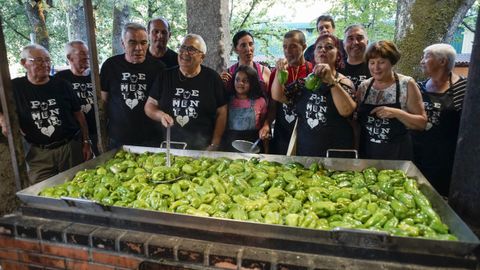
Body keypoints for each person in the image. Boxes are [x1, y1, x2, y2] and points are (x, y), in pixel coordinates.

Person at [0, 44, 91, 184]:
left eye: (47, 60)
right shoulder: (14, 88)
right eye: (38, 60)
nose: (45, 64)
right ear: (24, 63)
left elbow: (79, 116)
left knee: (77, 185)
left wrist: (86, 142)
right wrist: (3, 118)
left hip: (69, 148)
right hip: (38, 154)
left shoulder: (62, 85)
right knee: (43, 191)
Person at [272, 34, 356, 157]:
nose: (323, 50)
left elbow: (347, 111)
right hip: (306, 151)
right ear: (314, 54)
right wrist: (279, 72)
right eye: (319, 47)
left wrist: (332, 81)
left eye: (329, 47)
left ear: (338, 54)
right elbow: (279, 96)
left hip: (335, 152)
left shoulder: (343, 82)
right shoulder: (304, 82)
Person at [144, 34, 227, 151]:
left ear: (202, 57)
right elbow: (149, 105)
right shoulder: (164, 76)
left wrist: (215, 143)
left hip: (202, 148)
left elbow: (222, 112)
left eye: (191, 49)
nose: (185, 52)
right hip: (168, 146)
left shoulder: (212, 78)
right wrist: (160, 115)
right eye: (182, 48)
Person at [357, 40, 427, 160]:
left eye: (381, 62)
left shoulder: (407, 84)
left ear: (392, 62)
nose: (376, 68)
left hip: (397, 154)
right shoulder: (364, 87)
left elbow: (421, 123)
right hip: (367, 152)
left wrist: (397, 113)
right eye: (372, 62)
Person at [412, 43, 467, 196]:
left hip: (446, 160)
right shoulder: (418, 87)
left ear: (442, 61)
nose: (422, 61)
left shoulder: (464, 88)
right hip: (417, 155)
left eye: (426, 57)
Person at [100, 22, 165, 149]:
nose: (139, 48)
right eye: (132, 42)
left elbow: (162, 102)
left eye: (143, 42)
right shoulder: (110, 65)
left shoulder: (159, 68)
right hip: (118, 138)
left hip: (151, 139)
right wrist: (102, 134)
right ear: (123, 43)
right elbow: (103, 101)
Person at [268, 30, 314, 155]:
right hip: (282, 130)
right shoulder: (276, 72)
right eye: (285, 47)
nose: (288, 51)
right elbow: (273, 103)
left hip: (306, 129)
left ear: (304, 47)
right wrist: (266, 124)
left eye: (293, 46)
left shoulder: (313, 71)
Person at [55, 40, 99, 156]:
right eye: (82, 53)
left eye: (88, 53)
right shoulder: (60, 79)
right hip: (76, 135)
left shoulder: (96, 76)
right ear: (69, 57)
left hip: (98, 130)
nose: (87, 56)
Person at [221, 65, 268, 152]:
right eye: (237, 80)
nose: (240, 83)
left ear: (252, 82)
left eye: (245, 81)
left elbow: (263, 123)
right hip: (230, 146)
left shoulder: (260, 101)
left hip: (253, 146)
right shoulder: (227, 100)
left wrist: (266, 151)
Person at [339, 24, 371, 90]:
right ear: (344, 44)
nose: (355, 42)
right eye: (350, 38)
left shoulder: (375, 67)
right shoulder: (337, 67)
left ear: (367, 42)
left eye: (360, 38)